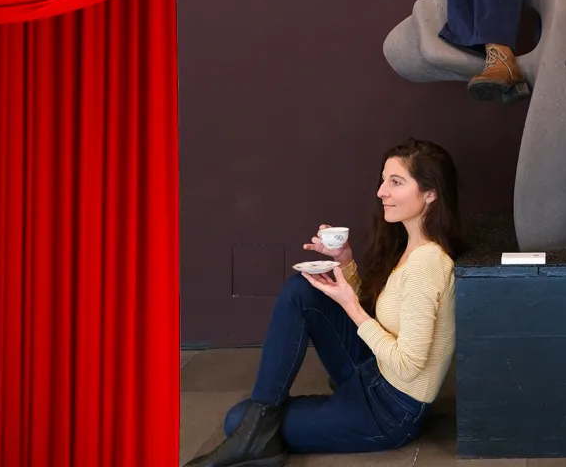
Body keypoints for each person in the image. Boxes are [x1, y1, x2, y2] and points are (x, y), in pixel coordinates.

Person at [186, 139, 464, 466]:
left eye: (396, 182)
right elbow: (388, 316)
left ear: (430, 193)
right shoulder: (410, 246)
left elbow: (408, 365)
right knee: (301, 292)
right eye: (383, 180)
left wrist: (350, 306)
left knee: (237, 420)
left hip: (390, 412)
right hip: (373, 372)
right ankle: (258, 428)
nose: (381, 192)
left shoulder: (428, 263)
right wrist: (344, 260)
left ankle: (256, 433)